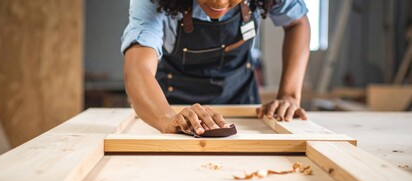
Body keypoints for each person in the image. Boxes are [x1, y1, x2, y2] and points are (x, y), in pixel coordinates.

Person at [122, 0, 310, 135]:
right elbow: (138, 67)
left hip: (243, 102)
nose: (219, 3)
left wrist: (289, 95)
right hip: (172, 106)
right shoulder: (154, 2)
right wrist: (166, 118)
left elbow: (297, 23)